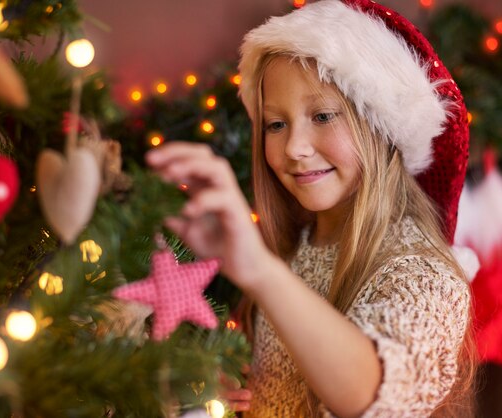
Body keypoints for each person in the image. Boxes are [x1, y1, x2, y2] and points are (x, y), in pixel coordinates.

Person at [146, 0, 477, 416]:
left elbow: (377, 392)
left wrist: (260, 271)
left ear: (380, 127)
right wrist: (235, 377)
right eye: (275, 124)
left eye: (322, 115)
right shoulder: (297, 243)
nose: (295, 149)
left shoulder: (424, 273)